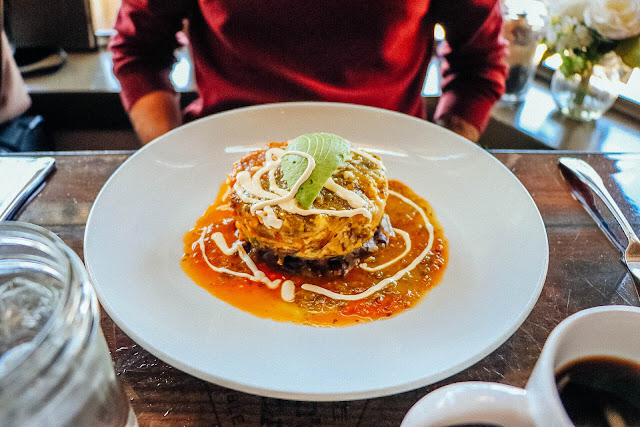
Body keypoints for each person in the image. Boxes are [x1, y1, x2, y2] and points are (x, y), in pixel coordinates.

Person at [110, 0, 507, 145]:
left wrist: (440, 164)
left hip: (392, 166)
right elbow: (139, 49)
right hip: (222, 161)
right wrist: (171, 160)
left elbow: (479, 63)